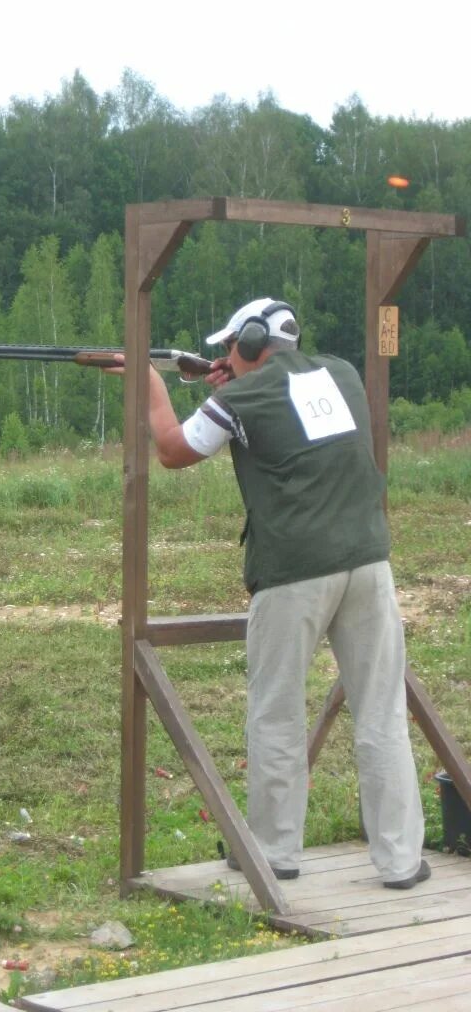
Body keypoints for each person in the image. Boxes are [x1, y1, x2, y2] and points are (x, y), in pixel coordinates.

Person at [109, 297, 429, 888]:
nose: (222, 359)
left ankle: (276, 851)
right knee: (381, 714)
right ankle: (402, 859)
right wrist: (223, 381)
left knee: (276, 714)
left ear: (251, 342)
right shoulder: (342, 373)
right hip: (369, 563)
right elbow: (286, 410)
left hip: (293, 573)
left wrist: (152, 389)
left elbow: (174, 451)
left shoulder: (241, 397)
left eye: (228, 348)